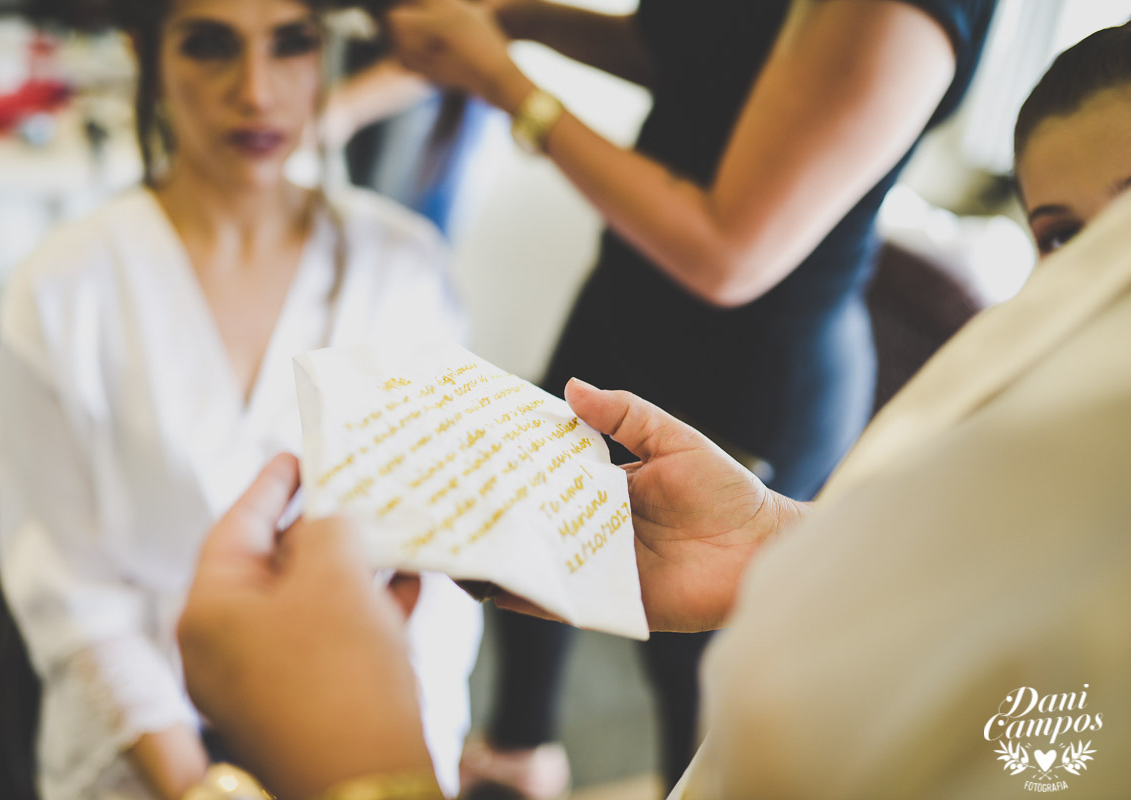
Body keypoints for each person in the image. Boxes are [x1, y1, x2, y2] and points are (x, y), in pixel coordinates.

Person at [173, 19, 1131, 799]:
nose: (1089, 281)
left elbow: (1018, 743)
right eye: (1060, 238)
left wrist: (361, 769)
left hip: (750, 366)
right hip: (629, 318)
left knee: (702, 700)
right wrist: (776, 547)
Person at [380, 0, 997, 792]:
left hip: (746, 374)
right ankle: (518, 756)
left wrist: (506, 84)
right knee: (526, 558)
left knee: (695, 684)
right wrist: (525, 18)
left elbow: (728, 253)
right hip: (625, 301)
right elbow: (696, 48)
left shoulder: (894, 14)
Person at [0, 1, 481, 798]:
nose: (255, 92)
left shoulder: (406, 271)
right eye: (211, 46)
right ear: (143, 51)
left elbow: (446, 567)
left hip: (369, 735)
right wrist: (197, 784)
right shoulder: (61, 289)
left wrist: (392, 761)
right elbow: (68, 588)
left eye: (290, 45)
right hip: (143, 747)